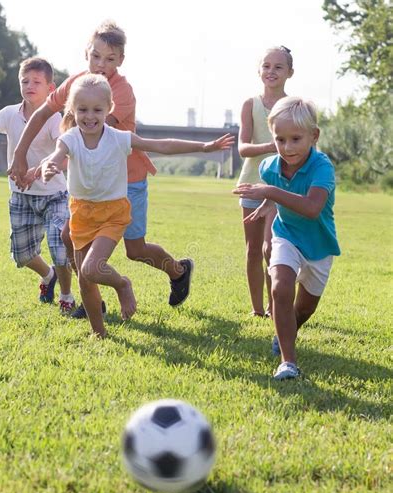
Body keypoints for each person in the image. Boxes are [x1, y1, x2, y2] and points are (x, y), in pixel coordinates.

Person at [7, 20, 197, 319]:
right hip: (89, 186)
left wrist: (47, 164)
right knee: (71, 237)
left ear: (120, 60)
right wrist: (20, 155)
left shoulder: (120, 92)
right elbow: (45, 112)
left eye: (110, 59)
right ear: (87, 53)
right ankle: (92, 298)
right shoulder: (77, 82)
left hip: (125, 181)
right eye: (96, 56)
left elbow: (90, 139)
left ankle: (178, 270)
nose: (101, 64)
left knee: (135, 250)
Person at [41, 74, 234, 338]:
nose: (89, 116)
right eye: (82, 110)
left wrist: (204, 146)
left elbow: (161, 145)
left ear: (109, 109)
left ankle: (122, 285)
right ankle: (99, 333)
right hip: (81, 213)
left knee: (90, 267)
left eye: (97, 110)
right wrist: (49, 166)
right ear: (73, 110)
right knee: (86, 281)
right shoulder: (71, 138)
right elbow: (55, 155)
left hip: (112, 213)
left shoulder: (119, 138)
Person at [233, 97, 340, 380]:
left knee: (303, 309)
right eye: (280, 139)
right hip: (286, 236)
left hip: (319, 246)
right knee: (280, 288)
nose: (287, 147)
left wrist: (269, 195)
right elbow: (276, 189)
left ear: (313, 136)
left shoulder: (322, 167)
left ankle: (286, 330)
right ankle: (288, 363)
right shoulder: (269, 167)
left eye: (296, 139)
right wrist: (267, 205)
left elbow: (311, 208)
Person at [0, 57, 74, 312]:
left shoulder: (54, 119)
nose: (29, 85)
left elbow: (67, 158)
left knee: (58, 245)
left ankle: (66, 295)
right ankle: (48, 276)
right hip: (20, 195)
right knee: (22, 254)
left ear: (51, 88)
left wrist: (38, 172)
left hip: (54, 194)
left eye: (37, 82)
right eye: (24, 81)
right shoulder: (8, 114)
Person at [236, 46, 294, 318]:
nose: (271, 71)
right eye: (267, 66)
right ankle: (257, 309)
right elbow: (243, 148)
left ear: (290, 73)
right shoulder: (250, 104)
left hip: (281, 186)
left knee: (271, 248)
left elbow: (299, 147)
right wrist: (271, 146)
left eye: (278, 67)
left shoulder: (292, 107)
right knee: (252, 249)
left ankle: (275, 306)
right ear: (259, 70)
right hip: (250, 183)